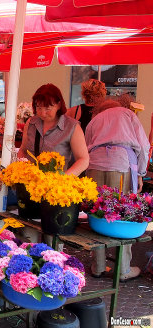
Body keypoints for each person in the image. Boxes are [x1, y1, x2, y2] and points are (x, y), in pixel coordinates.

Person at [85, 98, 150, 282]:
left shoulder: (94, 120)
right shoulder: (128, 114)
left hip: (94, 164)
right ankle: (123, 269)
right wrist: (141, 173)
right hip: (121, 164)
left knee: (97, 212)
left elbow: (84, 146)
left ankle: (98, 266)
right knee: (123, 214)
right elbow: (144, 146)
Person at [18, 83, 89, 175]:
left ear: (59, 105)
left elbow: (83, 160)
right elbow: (23, 150)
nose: (43, 113)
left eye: (48, 109)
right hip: (29, 182)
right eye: (38, 107)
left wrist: (64, 178)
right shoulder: (31, 123)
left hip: (55, 185)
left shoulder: (72, 127)